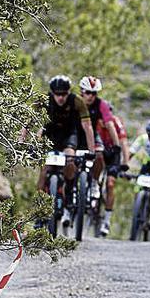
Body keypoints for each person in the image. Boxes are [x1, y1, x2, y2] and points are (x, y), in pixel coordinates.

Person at [78, 76, 130, 236]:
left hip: (112, 153)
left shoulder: (114, 123)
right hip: (99, 151)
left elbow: (123, 143)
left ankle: (106, 221)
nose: (91, 96)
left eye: (94, 94)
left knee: (110, 184)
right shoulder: (93, 123)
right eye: (88, 93)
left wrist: (125, 161)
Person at [35, 76, 99, 206]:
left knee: (70, 160)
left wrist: (92, 151)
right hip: (50, 135)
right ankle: (39, 209)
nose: (61, 98)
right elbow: (27, 122)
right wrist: (23, 142)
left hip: (69, 135)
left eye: (64, 94)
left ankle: (69, 190)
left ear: (68, 92)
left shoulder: (77, 101)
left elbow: (88, 127)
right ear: (52, 93)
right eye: (57, 94)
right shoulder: (44, 100)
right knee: (44, 169)